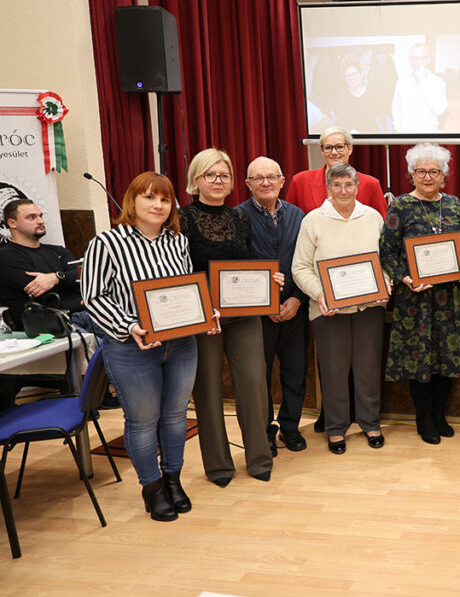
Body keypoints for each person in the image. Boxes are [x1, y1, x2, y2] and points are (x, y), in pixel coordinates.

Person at [81, 172, 206, 522]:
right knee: (142, 421)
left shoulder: (177, 242)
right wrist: (129, 326)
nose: (158, 205)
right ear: (132, 201)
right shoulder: (106, 243)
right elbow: (93, 297)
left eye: (165, 199)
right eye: (149, 197)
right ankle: (152, 488)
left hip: (180, 344)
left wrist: (204, 311)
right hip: (131, 348)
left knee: (176, 416)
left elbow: (185, 289)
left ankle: (173, 480)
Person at [180, 148, 277, 487]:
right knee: (207, 391)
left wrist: (269, 281)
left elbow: (246, 265)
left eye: (224, 175)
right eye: (210, 175)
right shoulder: (181, 219)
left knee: (254, 384)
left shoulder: (240, 218)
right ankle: (218, 466)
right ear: (196, 180)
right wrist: (204, 309)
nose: (218, 181)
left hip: (243, 315)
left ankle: (260, 458)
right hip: (205, 318)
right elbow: (180, 272)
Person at [379, 143, 460, 444]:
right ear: (412, 174)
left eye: (434, 171)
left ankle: (439, 414)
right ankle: (424, 418)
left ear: (444, 175)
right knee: (420, 359)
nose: (428, 177)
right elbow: (386, 252)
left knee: (446, 357)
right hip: (416, 299)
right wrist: (405, 278)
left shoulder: (455, 205)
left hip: (451, 299)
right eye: (421, 171)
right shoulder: (401, 206)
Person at [292, 162, 388, 454]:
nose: (343, 191)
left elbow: (386, 260)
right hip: (327, 311)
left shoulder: (372, 217)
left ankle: (370, 423)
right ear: (328, 188)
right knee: (333, 371)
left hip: (369, 308)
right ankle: (336, 429)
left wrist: (385, 284)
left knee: (368, 367)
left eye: (349, 185)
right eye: (337, 185)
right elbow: (300, 267)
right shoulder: (313, 220)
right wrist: (320, 293)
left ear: (357, 187)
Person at [237, 156, 308, 456]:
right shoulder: (237, 217)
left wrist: (297, 299)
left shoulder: (298, 215)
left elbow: (306, 261)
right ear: (248, 184)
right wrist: (264, 303)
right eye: (258, 178)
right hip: (256, 314)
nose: (266, 183)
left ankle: (290, 428)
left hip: (295, 308)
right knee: (259, 376)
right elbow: (235, 267)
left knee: (295, 372)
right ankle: (265, 431)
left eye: (271, 177)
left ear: (282, 181)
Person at [0, 199, 85, 330]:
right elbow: (39, 290)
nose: (40, 221)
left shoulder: (59, 251)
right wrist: (69, 278)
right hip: (51, 323)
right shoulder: (6, 256)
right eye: (32, 217)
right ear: (12, 223)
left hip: (88, 312)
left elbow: (85, 276)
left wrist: (56, 277)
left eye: (40, 216)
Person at [286, 127, 388, 218]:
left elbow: (382, 224)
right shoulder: (300, 181)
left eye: (339, 147)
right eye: (328, 148)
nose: (334, 152)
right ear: (322, 151)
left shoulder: (370, 184)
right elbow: (289, 221)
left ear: (350, 149)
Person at [391, 43, 447, 133]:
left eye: (419, 58)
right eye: (413, 58)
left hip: (428, 135)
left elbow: (439, 109)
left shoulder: (438, 82)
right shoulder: (402, 82)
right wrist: (398, 128)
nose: (415, 62)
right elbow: (396, 107)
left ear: (428, 60)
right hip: (405, 134)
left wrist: (423, 82)